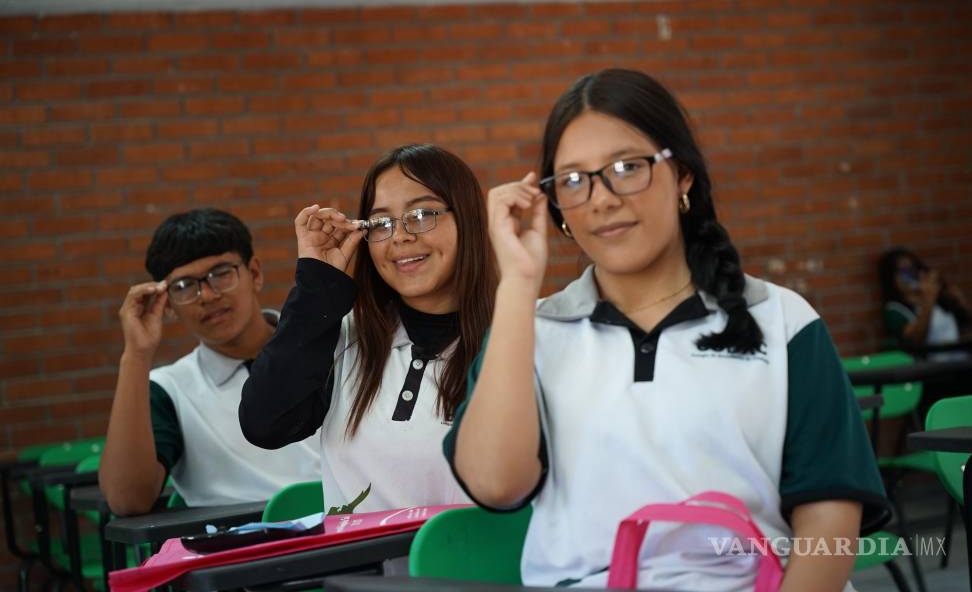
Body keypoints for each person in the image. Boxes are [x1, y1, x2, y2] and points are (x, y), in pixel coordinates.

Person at [446, 69, 891, 591]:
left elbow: (830, 523)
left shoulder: (782, 318)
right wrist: (519, 284)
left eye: (627, 167)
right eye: (573, 180)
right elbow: (496, 485)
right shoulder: (532, 329)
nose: (602, 198)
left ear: (683, 176)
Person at [239, 144, 496, 514]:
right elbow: (265, 425)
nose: (400, 236)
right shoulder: (347, 337)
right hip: (354, 572)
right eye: (381, 223)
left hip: (470, 569)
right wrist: (317, 284)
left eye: (422, 214)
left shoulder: (519, 334)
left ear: (469, 218)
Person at [99, 209, 321, 516]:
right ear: (169, 305)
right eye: (185, 286)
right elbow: (127, 500)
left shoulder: (327, 344)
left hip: (354, 532)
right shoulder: (169, 390)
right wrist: (136, 355)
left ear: (254, 273)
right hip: (244, 554)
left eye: (221, 274)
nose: (207, 295)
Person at [878, 247, 970, 361]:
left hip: (960, 360)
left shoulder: (939, 299)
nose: (908, 275)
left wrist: (960, 302)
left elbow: (964, 325)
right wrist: (929, 299)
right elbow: (915, 339)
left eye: (911, 269)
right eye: (902, 271)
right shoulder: (895, 310)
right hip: (931, 369)